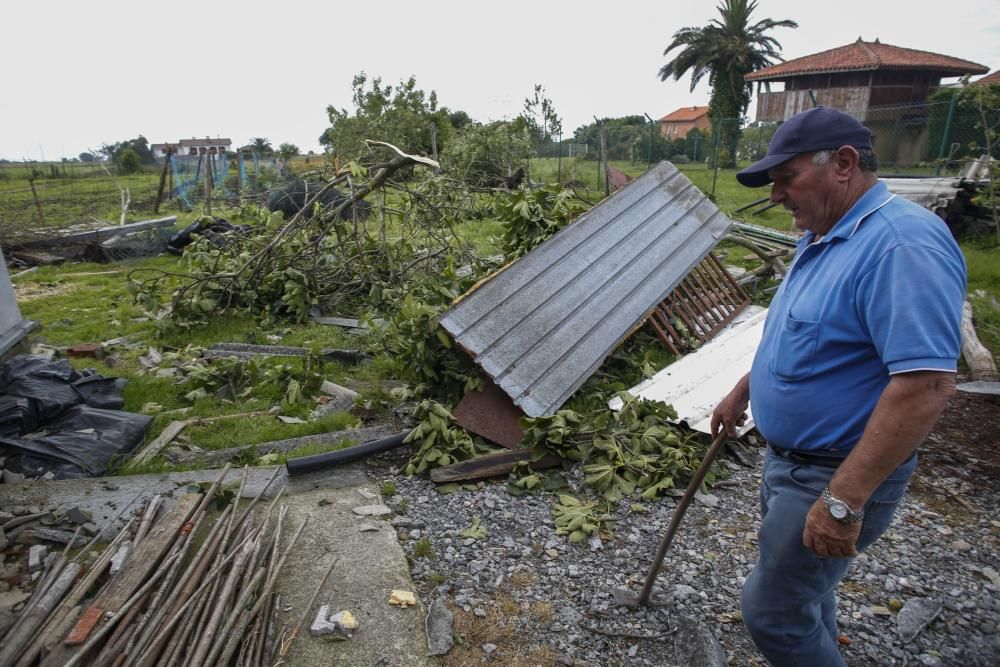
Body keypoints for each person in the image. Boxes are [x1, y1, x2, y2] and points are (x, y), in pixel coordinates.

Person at [710, 106, 966, 666]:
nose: (777, 195)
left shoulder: (901, 246)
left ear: (844, 164)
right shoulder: (825, 233)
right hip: (792, 463)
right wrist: (746, 388)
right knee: (807, 589)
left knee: (772, 611)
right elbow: (806, 335)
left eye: (786, 178)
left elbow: (925, 383)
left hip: (831, 472)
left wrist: (844, 501)